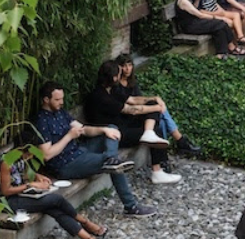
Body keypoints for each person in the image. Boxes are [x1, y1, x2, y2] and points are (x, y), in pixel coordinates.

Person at [31, 81, 157, 219]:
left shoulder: (60, 112)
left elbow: (83, 129)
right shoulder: (41, 121)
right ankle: (131, 206)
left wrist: (103, 129)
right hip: (65, 164)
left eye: (62, 98)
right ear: (46, 100)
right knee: (116, 165)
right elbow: (46, 155)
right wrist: (69, 136)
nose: (61, 102)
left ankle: (110, 159)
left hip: (79, 151)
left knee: (112, 129)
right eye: (57, 99)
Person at [0, 141, 111, 239]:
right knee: (56, 199)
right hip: (9, 202)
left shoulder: (20, 158)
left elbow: (22, 173)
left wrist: (37, 176)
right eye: (30, 153)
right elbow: (6, 191)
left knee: (55, 210)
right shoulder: (7, 163)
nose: (31, 157)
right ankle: (85, 222)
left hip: (22, 195)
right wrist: (30, 185)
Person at [86, 60, 181, 186]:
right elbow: (132, 110)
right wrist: (157, 108)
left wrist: (154, 99)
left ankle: (148, 133)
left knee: (152, 112)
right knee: (156, 127)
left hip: (122, 124)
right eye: (119, 73)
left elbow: (133, 100)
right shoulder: (100, 96)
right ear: (114, 78)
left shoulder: (112, 89)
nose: (121, 75)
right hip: (113, 134)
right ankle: (157, 172)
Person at [116, 53, 204, 156]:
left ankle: (166, 153)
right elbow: (132, 103)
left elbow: (140, 99)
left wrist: (155, 100)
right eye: (124, 66)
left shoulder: (132, 82)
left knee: (160, 120)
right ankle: (180, 141)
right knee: (158, 112)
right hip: (127, 117)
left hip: (139, 113)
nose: (127, 69)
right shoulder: (116, 86)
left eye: (130, 65)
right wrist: (154, 105)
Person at [174, 0, 245, 56]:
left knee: (220, 27)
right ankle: (231, 48)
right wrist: (215, 17)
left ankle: (222, 53)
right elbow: (199, 15)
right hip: (190, 26)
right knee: (220, 23)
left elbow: (195, 8)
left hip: (195, 22)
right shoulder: (183, 1)